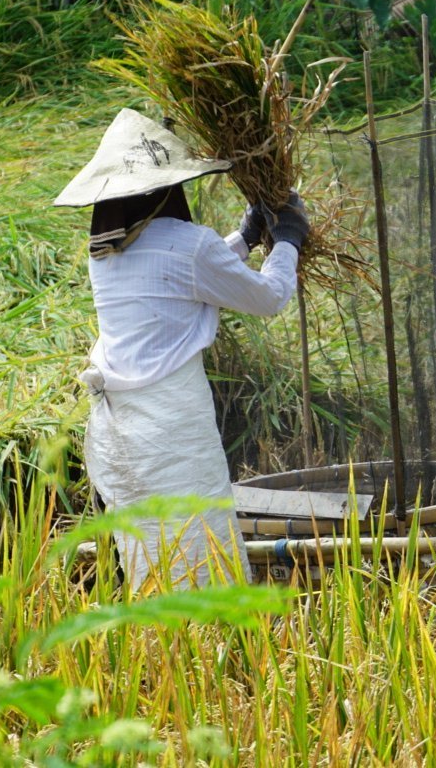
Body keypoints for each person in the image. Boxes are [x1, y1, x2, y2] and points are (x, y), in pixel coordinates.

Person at [55, 108, 310, 590]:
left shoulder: (105, 250)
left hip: (122, 432)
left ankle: (166, 648)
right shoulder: (191, 246)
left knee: (150, 548)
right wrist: (288, 241)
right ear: (165, 189)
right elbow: (268, 296)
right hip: (172, 428)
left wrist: (248, 239)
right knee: (197, 539)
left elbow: (179, 279)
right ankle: (206, 643)